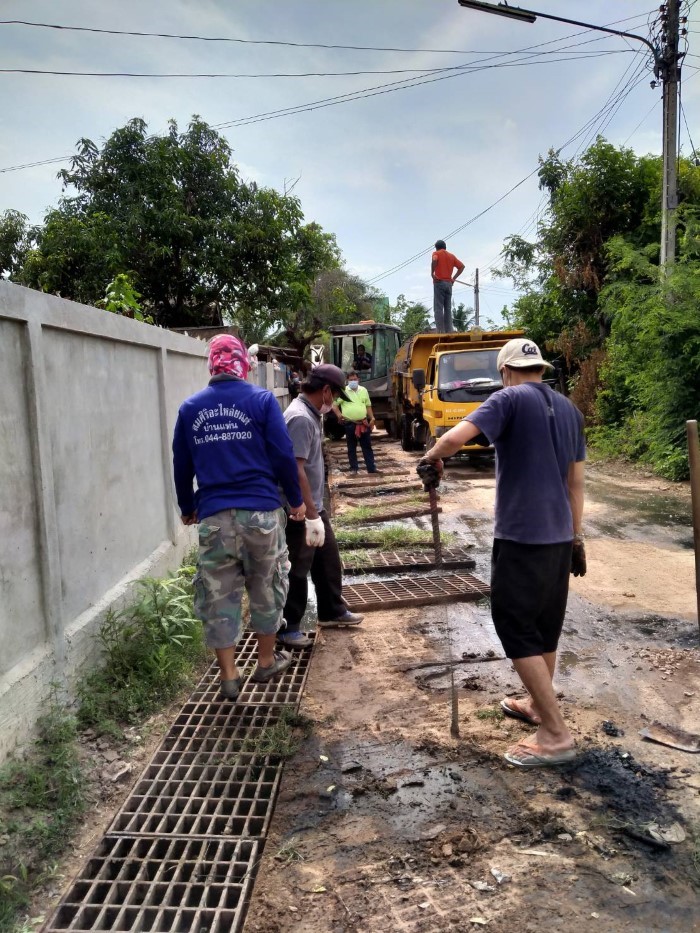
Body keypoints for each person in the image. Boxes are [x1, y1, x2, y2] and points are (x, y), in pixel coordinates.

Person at [417, 338, 586, 769]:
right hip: (559, 537)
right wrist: (577, 538)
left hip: (521, 535)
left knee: (514, 625)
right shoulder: (570, 410)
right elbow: (576, 484)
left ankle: (555, 733)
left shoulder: (506, 398)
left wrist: (433, 456)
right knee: (544, 625)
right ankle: (536, 703)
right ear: (540, 369)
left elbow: (455, 438)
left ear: (505, 371)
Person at [172, 334, 307, 700]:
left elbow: (181, 465)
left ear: (212, 365)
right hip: (261, 514)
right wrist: (296, 502)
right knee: (267, 587)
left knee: (218, 595)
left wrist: (187, 507)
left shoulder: (190, 408)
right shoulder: (261, 401)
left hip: (214, 518)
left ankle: (229, 676)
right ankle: (265, 662)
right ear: (242, 365)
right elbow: (282, 455)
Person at [278, 364, 364, 649]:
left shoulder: (312, 415)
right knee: (298, 565)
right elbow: (294, 468)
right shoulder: (300, 418)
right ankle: (289, 626)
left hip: (313, 503)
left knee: (327, 558)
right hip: (301, 508)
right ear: (326, 390)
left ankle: (331, 610)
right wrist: (309, 512)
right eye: (336, 394)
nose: (336, 401)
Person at [332, 370, 379, 475]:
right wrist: (339, 415)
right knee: (351, 447)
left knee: (367, 446)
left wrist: (372, 418)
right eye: (351, 380)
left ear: (358, 380)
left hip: (363, 423)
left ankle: (371, 468)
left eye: (355, 379)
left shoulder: (364, 390)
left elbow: (368, 405)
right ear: (347, 380)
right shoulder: (343, 391)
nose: (353, 381)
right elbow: (334, 405)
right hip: (350, 423)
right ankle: (354, 469)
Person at [431, 239, 465, 333]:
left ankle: (440, 332)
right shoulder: (451, 256)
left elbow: (434, 260)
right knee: (447, 308)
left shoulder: (436, 253)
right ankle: (449, 331)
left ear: (437, 248)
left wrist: (432, 273)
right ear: (445, 247)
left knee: (438, 308)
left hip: (439, 282)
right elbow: (462, 266)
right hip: (449, 284)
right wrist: (453, 278)